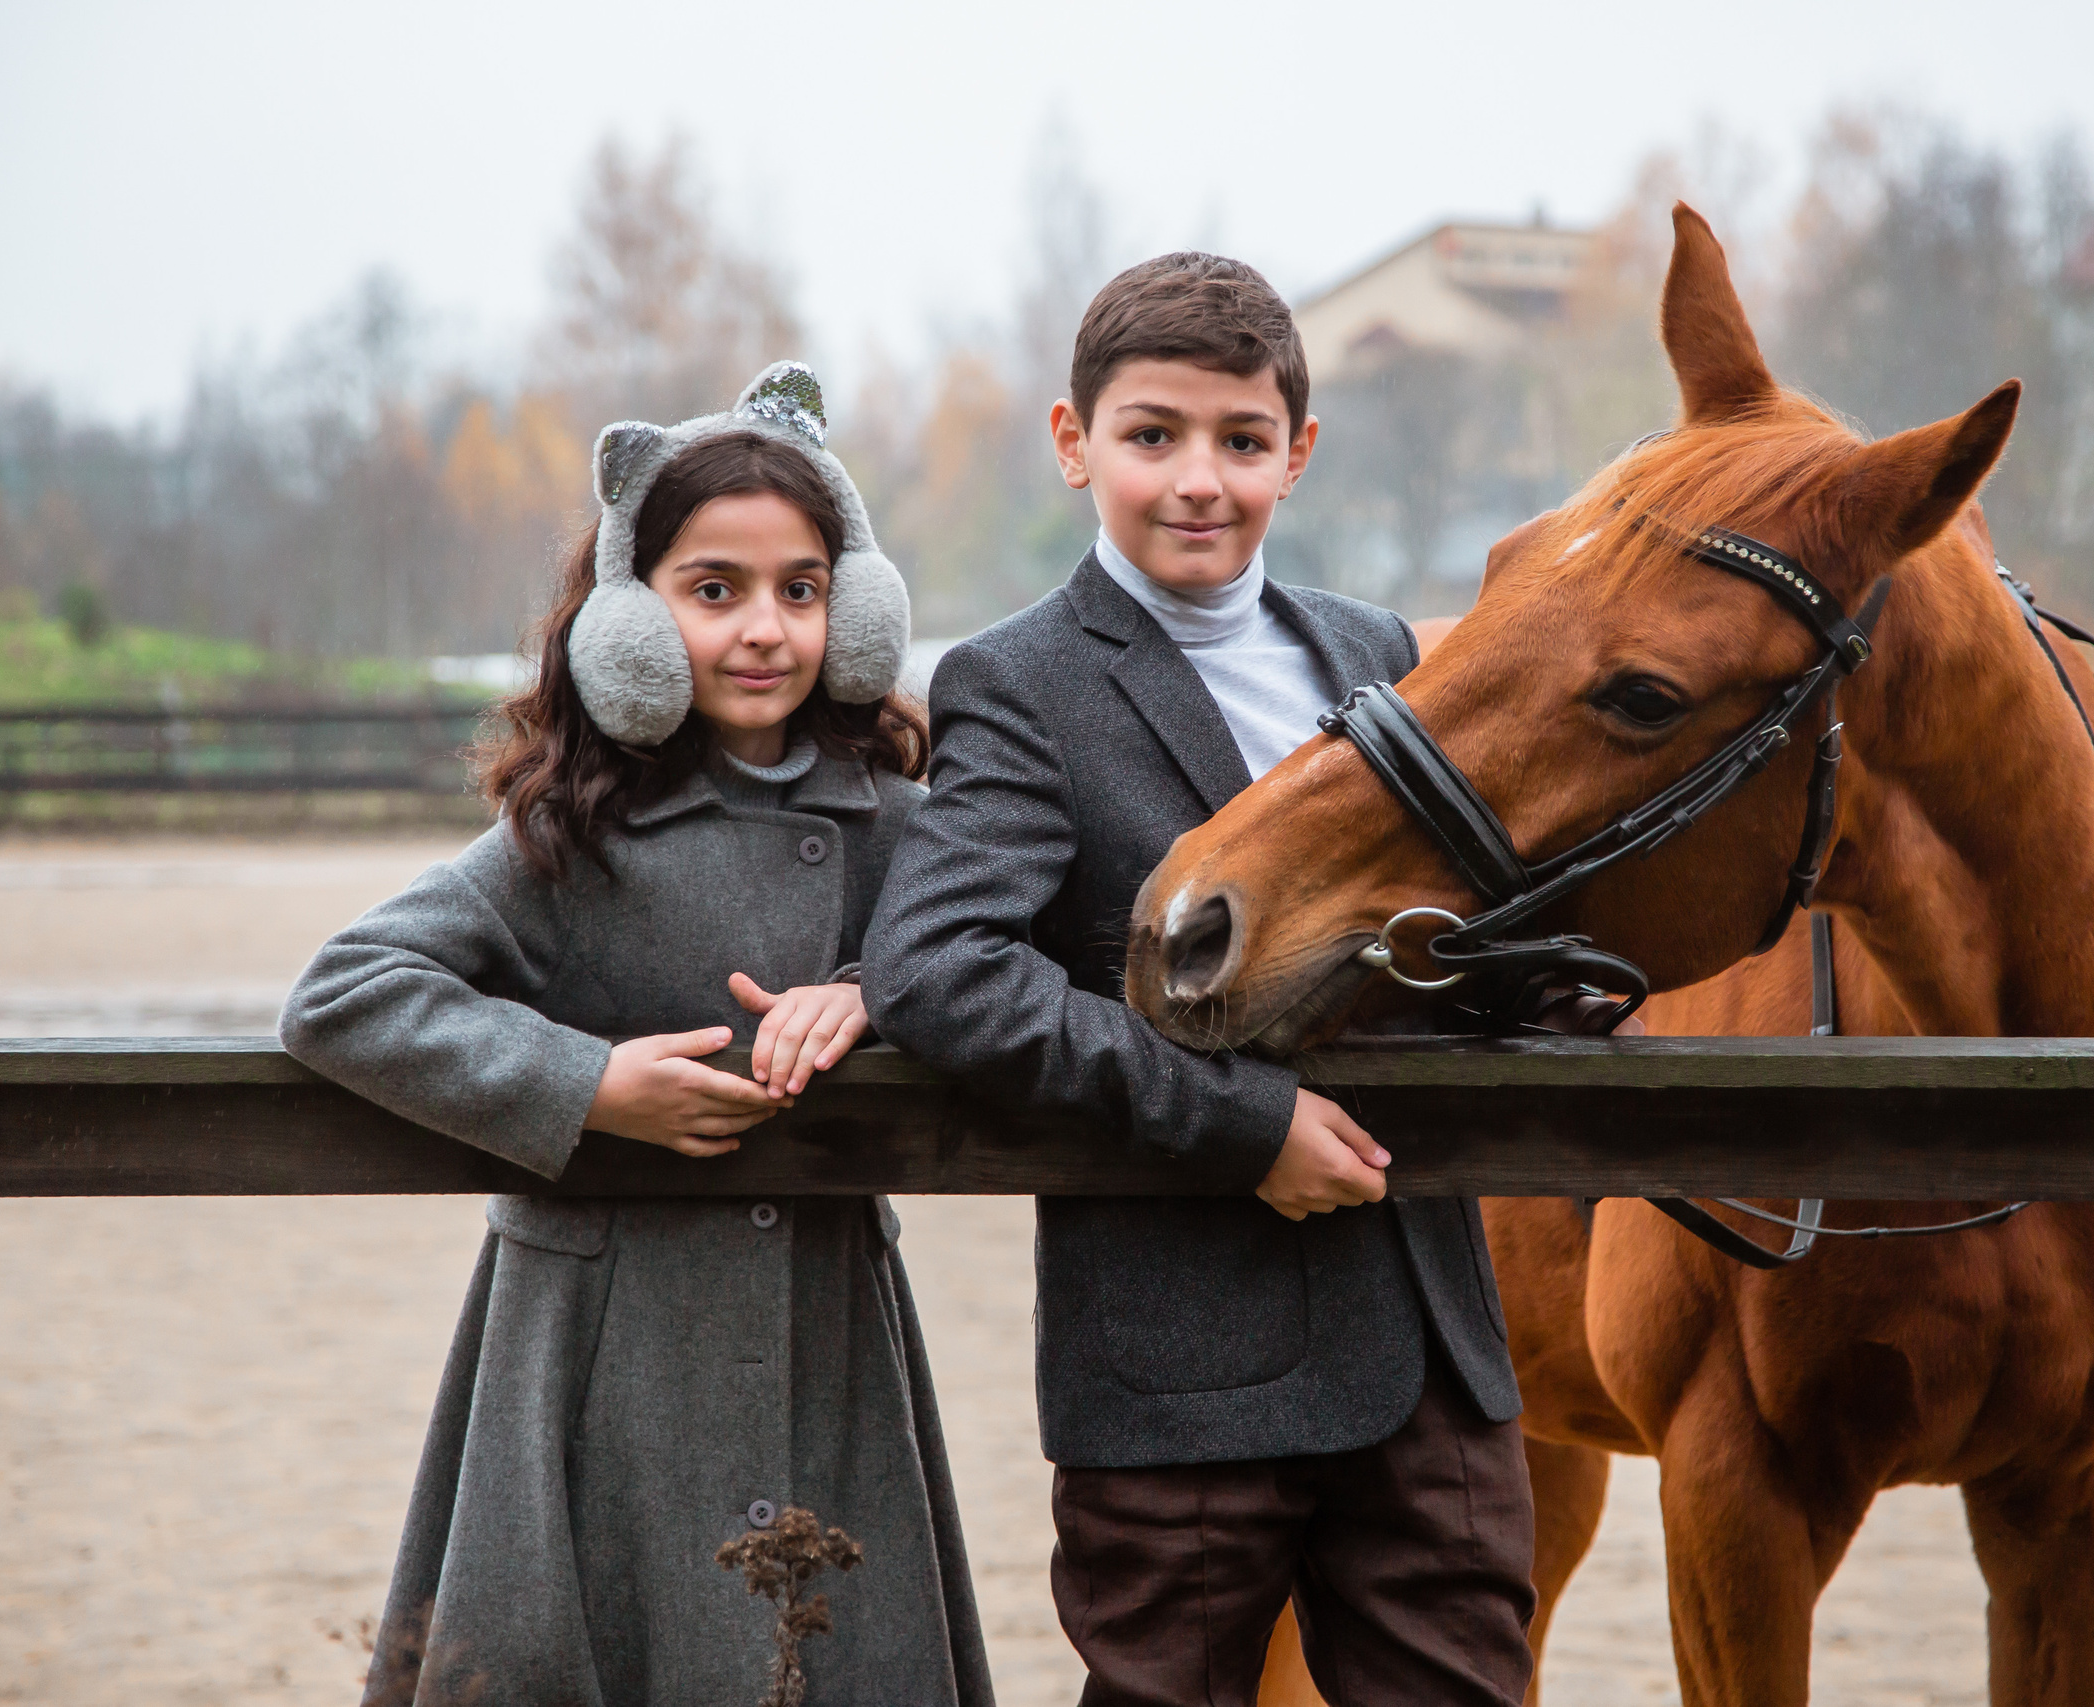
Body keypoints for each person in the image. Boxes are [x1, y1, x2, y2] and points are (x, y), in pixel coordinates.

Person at [865, 255, 1538, 1706]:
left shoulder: (1377, 653)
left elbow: (1440, 929)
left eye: (1241, 440)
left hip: (1425, 1335)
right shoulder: (1019, 683)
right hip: (1181, 1357)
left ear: (1298, 453)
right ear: (1074, 443)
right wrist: (1240, 1125)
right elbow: (940, 971)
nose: (1198, 479)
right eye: (1152, 435)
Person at [279, 363, 993, 1707]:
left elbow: (1013, 962)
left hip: (829, 1318)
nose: (765, 628)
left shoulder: (899, 825)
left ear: (853, 611)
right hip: (596, 1340)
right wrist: (586, 1085)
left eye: (802, 589)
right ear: (628, 618)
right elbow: (344, 990)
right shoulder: (568, 834)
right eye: (713, 589)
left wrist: (877, 987)